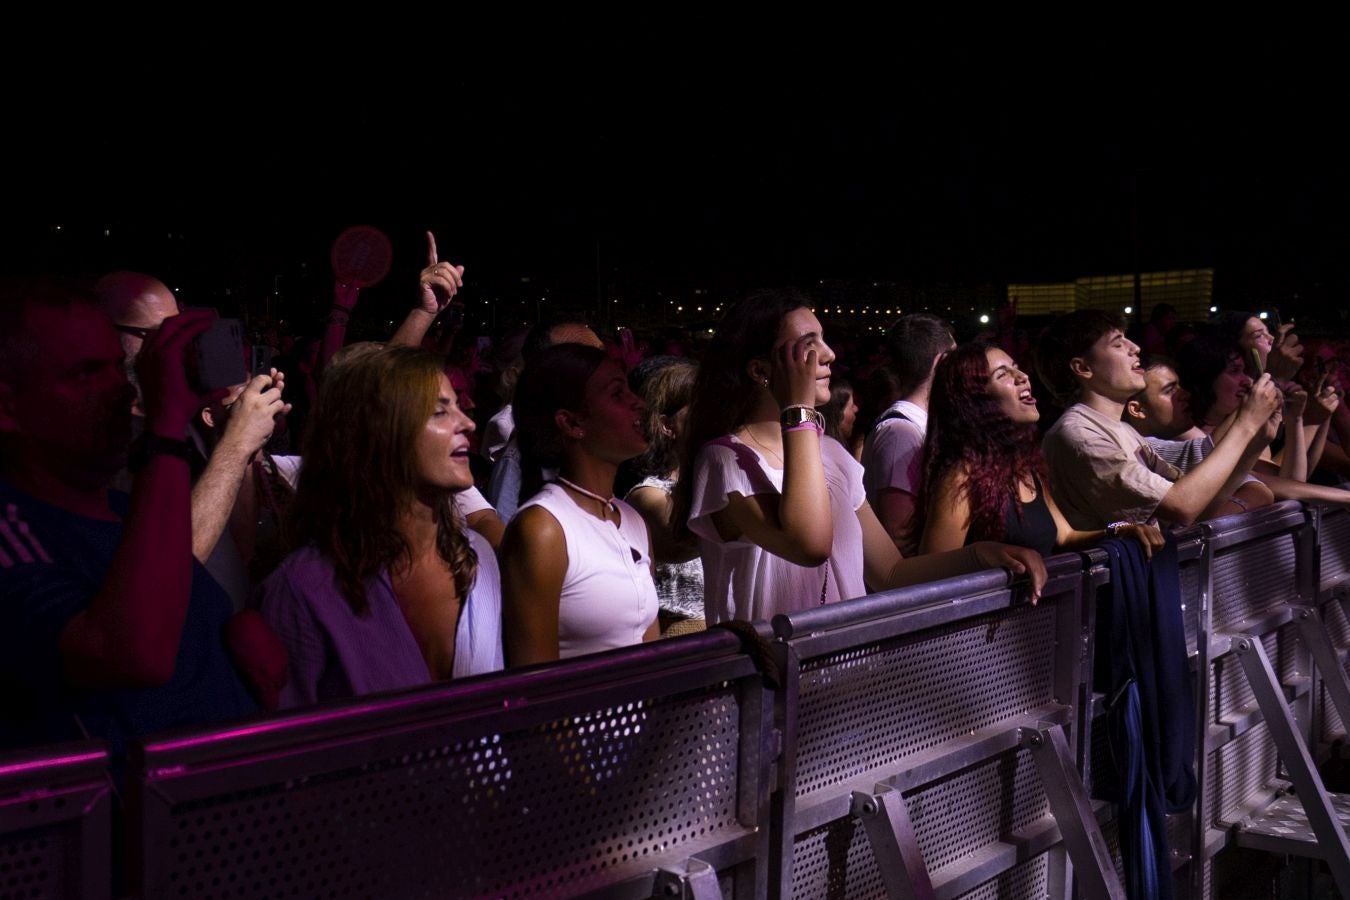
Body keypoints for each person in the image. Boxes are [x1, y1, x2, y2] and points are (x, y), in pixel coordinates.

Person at [674, 289, 1047, 625]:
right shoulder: (726, 460)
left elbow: (891, 574)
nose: (829, 354)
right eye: (809, 344)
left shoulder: (832, 453)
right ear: (761, 370)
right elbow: (810, 544)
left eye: (824, 340)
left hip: (848, 670)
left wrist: (981, 555)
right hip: (773, 682)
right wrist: (799, 409)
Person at [0, 278, 261, 750]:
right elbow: (134, 655)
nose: (120, 388)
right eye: (86, 373)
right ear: (8, 406)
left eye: (116, 368)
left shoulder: (124, 513)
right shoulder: (13, 533)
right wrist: (164, 428)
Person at [259, 346, 502, 708]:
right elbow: (282, 749)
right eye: (440, 411)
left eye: (457, 406)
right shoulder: (304, 587)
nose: (467, 423)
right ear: (378, 433)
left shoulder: (478, 559)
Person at [1036, 310, 1281, 531]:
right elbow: (1182, 504)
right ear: (1083, 368)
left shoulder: (1122, 430)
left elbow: (1199, 507)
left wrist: (1256, 440)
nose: (1135, 348)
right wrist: (1245, 424)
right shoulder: (1080, 435)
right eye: (1118, 344)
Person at [917, 344, 1164, 558]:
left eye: (1016, 367)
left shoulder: (1025, 467)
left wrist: (1119, 530)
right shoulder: (963, 475)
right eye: (1003, 374)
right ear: (975, 400)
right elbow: (935, 570)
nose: (1022, 376)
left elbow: (1065, 537)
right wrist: (986, 558)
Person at [500, 344, 659, 665]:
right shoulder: (543, 529)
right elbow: (535, 682)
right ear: (572, 423)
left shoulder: (630, 518)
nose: (638, 402)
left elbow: (648, 652)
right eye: (617, 393)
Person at [860, 313, 955, 554]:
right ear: (942, 362)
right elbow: (900, 537)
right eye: (957, 357)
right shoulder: (900, 433)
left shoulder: (919, 424)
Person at [624, 357, 705, 628]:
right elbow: (689, 536)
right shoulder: (647, 495)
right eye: (700, 407)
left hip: (733, 626)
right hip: (683, 631)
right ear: (666, 425)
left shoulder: (718, 479)